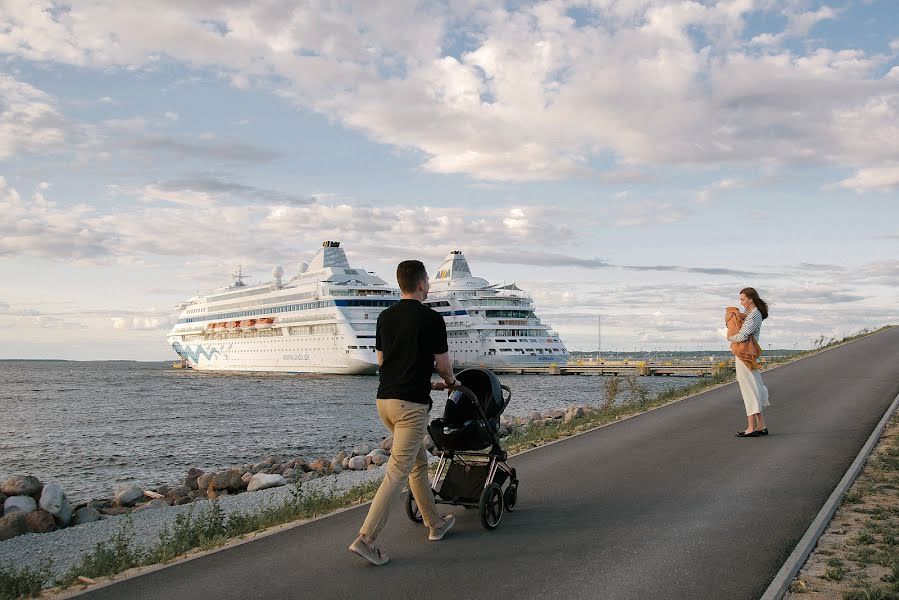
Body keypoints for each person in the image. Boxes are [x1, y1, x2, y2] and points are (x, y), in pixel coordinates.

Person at [349, 259, 458, 565]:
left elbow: (383, 361)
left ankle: (435, 524)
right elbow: (443, 365)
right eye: (428, 281)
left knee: (416, 464)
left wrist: (415, 377)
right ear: (422, 283)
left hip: (385, 402)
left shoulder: (384, 317)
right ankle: (366, 539)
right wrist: (450, 382)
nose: (429, 285)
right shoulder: (432, 319)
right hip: (410, 406)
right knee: (398, 471)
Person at [729, 287, 771, 438]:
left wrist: (730, 338)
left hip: (745, 357)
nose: (741, 302)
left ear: (751, 299)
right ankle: (761, 425)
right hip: (750, 356)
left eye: (743, 299)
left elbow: (742, 335)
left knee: (749, 390)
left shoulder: (754, 315)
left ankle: (751, 427)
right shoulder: (752, 314)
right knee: (755, 387)